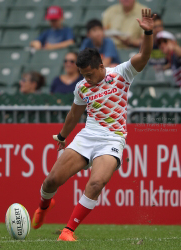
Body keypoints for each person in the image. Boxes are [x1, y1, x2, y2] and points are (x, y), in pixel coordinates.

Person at [32, 9, 156, 241]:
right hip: (88, 136)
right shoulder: (82, 87)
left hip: (112, 138)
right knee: (51, 181)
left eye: (89, 74)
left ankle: (68, 231)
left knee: (97, 182)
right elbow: (73, 115)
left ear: (100, 66)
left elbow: (145, 55)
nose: (86, 79)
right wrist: (61, 137)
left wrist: (148, 32)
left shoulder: (121, 73)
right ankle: (43, 206)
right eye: (83, 75)